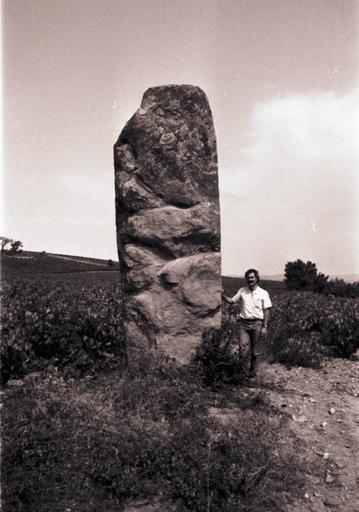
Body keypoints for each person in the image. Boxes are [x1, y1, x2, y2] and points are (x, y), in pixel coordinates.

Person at [222, 269, 272, 378]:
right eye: (248, 278)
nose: (250, 279)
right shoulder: (242, 291)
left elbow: (266, 311)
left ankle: (252, 373)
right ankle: (242, 375)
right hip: (243, 325)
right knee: (243, 351)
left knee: (255, 352)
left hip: (257, 324)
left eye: (252, 277)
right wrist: (222, 295)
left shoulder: (263, 293)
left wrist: (265, 326)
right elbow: (231, 301)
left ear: (257, 278)